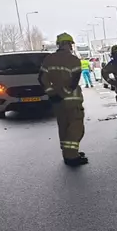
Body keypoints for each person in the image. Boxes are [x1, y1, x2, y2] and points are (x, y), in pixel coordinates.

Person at [39, 32, 88, 167]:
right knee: (76, 127)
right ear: (68, 44)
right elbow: (74, 81)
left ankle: (68, 153)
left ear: (59, 45)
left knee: (64, 126)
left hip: (57, 102)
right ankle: (72, 156)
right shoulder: (73, 60)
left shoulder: (49, 59)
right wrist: (64, 93)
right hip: (72, 101)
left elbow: (42, 79)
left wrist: (52, 94)